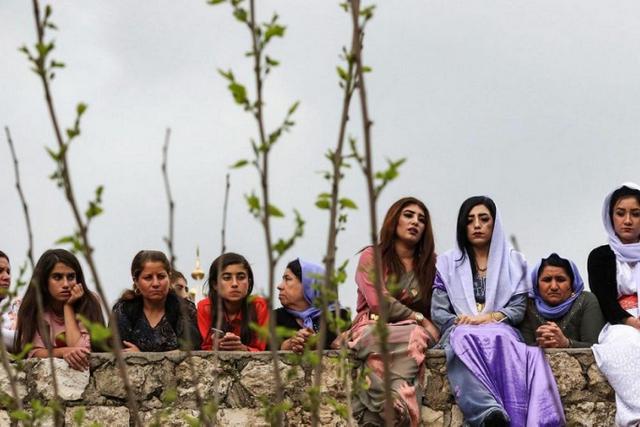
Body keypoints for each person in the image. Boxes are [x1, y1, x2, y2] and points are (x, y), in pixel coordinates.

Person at [432, 196, 564, 426]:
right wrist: (459, 321)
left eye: (484, 219)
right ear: (462, 226)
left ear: (495, 224)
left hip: (500, 328)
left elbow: (518, 308)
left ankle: (512, 413)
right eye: (470, 220)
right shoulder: (446, 263)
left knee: (501, 337)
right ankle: (488, 413)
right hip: (459, 329)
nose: (477, 225)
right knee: (461, 339)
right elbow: (439, 310)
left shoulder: (514, 261)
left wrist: (489, 318)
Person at [347, 196, 439, 426]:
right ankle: (396, 405)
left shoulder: (431, 265)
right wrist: (418, 319)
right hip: (372, 327)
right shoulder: (372, 256)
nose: (415, 222)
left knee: (408, 343)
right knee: (413, 335)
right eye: (408, 215)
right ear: (393, 220)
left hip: (408, 338)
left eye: (421, 219)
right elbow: (378, 301)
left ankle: (375, 416)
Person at [589, 183, 640, 426]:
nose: (627, 220)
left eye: (636, 214)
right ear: (611, 217)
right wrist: (631, 321)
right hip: (619, 324)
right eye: (621, 213)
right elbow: (605, 299)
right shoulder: (600, 256)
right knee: (628, 343)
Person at [15, 249, 104, 370]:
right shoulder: (33, 307)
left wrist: (68, 307)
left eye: (71, 277)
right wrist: (64, 352)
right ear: (44, 281)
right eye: (57, 277)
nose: (66, 284)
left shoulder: (90, 302)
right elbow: (34, 353)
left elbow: (81, 349)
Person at [112, 250, 200, 352]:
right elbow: (118, 353)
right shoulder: (124, 310)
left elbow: (192, 351)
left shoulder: (184, 309)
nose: (156, 283)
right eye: (148, 278)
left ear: (169, 277)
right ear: (136, 281)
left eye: (161, 277)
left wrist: (141, 356)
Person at [519, 253, 604, 348]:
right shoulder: (528, 305)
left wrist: (566, 343)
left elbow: (595, 347)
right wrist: (541, 344)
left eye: (561, 280)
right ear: (536, 285)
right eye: (547, 280)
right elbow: (522, 350)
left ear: (572, 284)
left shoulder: (586, 301)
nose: (554, 287)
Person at [275, 258, 351, 352]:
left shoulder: (338, 317)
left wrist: (315, 342)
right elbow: (263, 346)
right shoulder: (275, 317)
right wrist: (286, 345)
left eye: (287, 279)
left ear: (309, 285)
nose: (279, 286)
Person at [197, 253, 268, 351]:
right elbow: (206, 347)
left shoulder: (259, 306)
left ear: (249, 282)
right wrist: (217, 346)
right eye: (227, 278)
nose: (234, 284)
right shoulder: (205, 307)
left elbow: (261, 349)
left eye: (241, 277)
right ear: (215, 284)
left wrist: (242, 348)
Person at [0, 251, 20, 352]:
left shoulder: (18, 305)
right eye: (0, 271)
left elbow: (22, 341)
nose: (7, 277)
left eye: (8, 271)